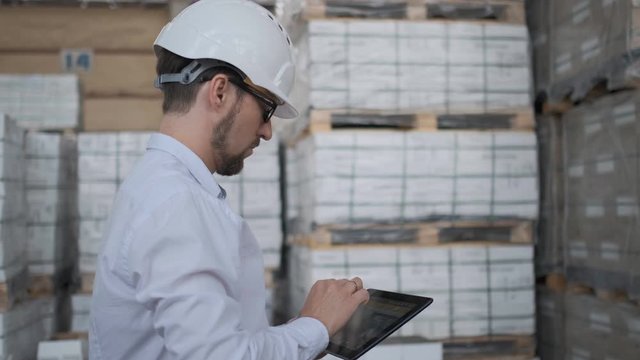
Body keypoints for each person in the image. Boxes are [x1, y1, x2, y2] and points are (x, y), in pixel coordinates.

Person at [88, 0, 369, 359]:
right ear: (220, 91)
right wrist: (314, 326)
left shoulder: (156, 187)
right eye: (267, 108)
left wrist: (304, 328)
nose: (268, 131)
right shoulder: (177, 205)